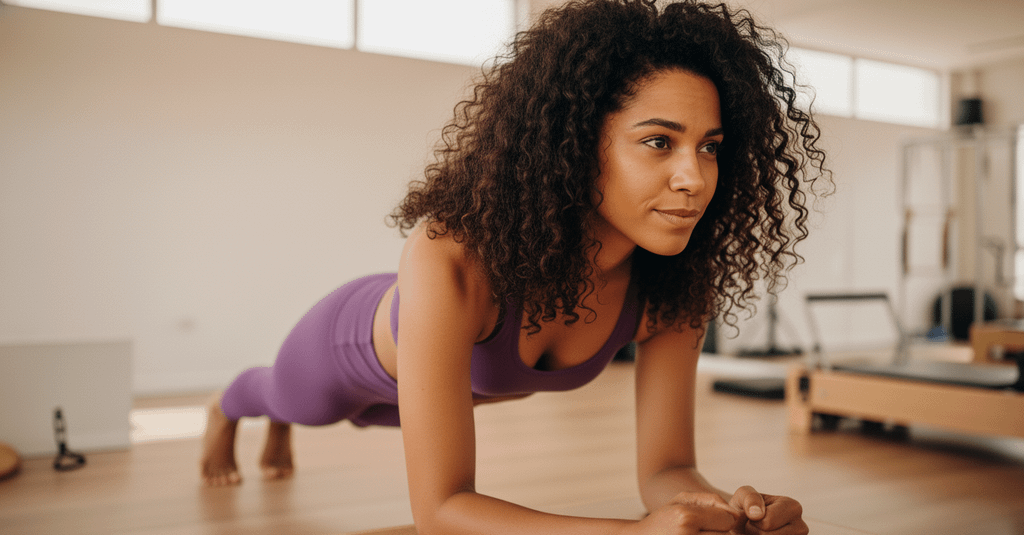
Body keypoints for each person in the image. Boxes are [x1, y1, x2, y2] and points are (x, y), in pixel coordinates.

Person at [201, 1, 830, 533]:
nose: (694, 178)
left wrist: (728, 513)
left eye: (710, 148)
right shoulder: (450, 255)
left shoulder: (675, 288)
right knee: (291, 400)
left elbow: (666, 471)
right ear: (578, 144)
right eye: (659, 142)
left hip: (462, 387)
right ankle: (229, 412)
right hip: (346, 346)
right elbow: (440, 509)